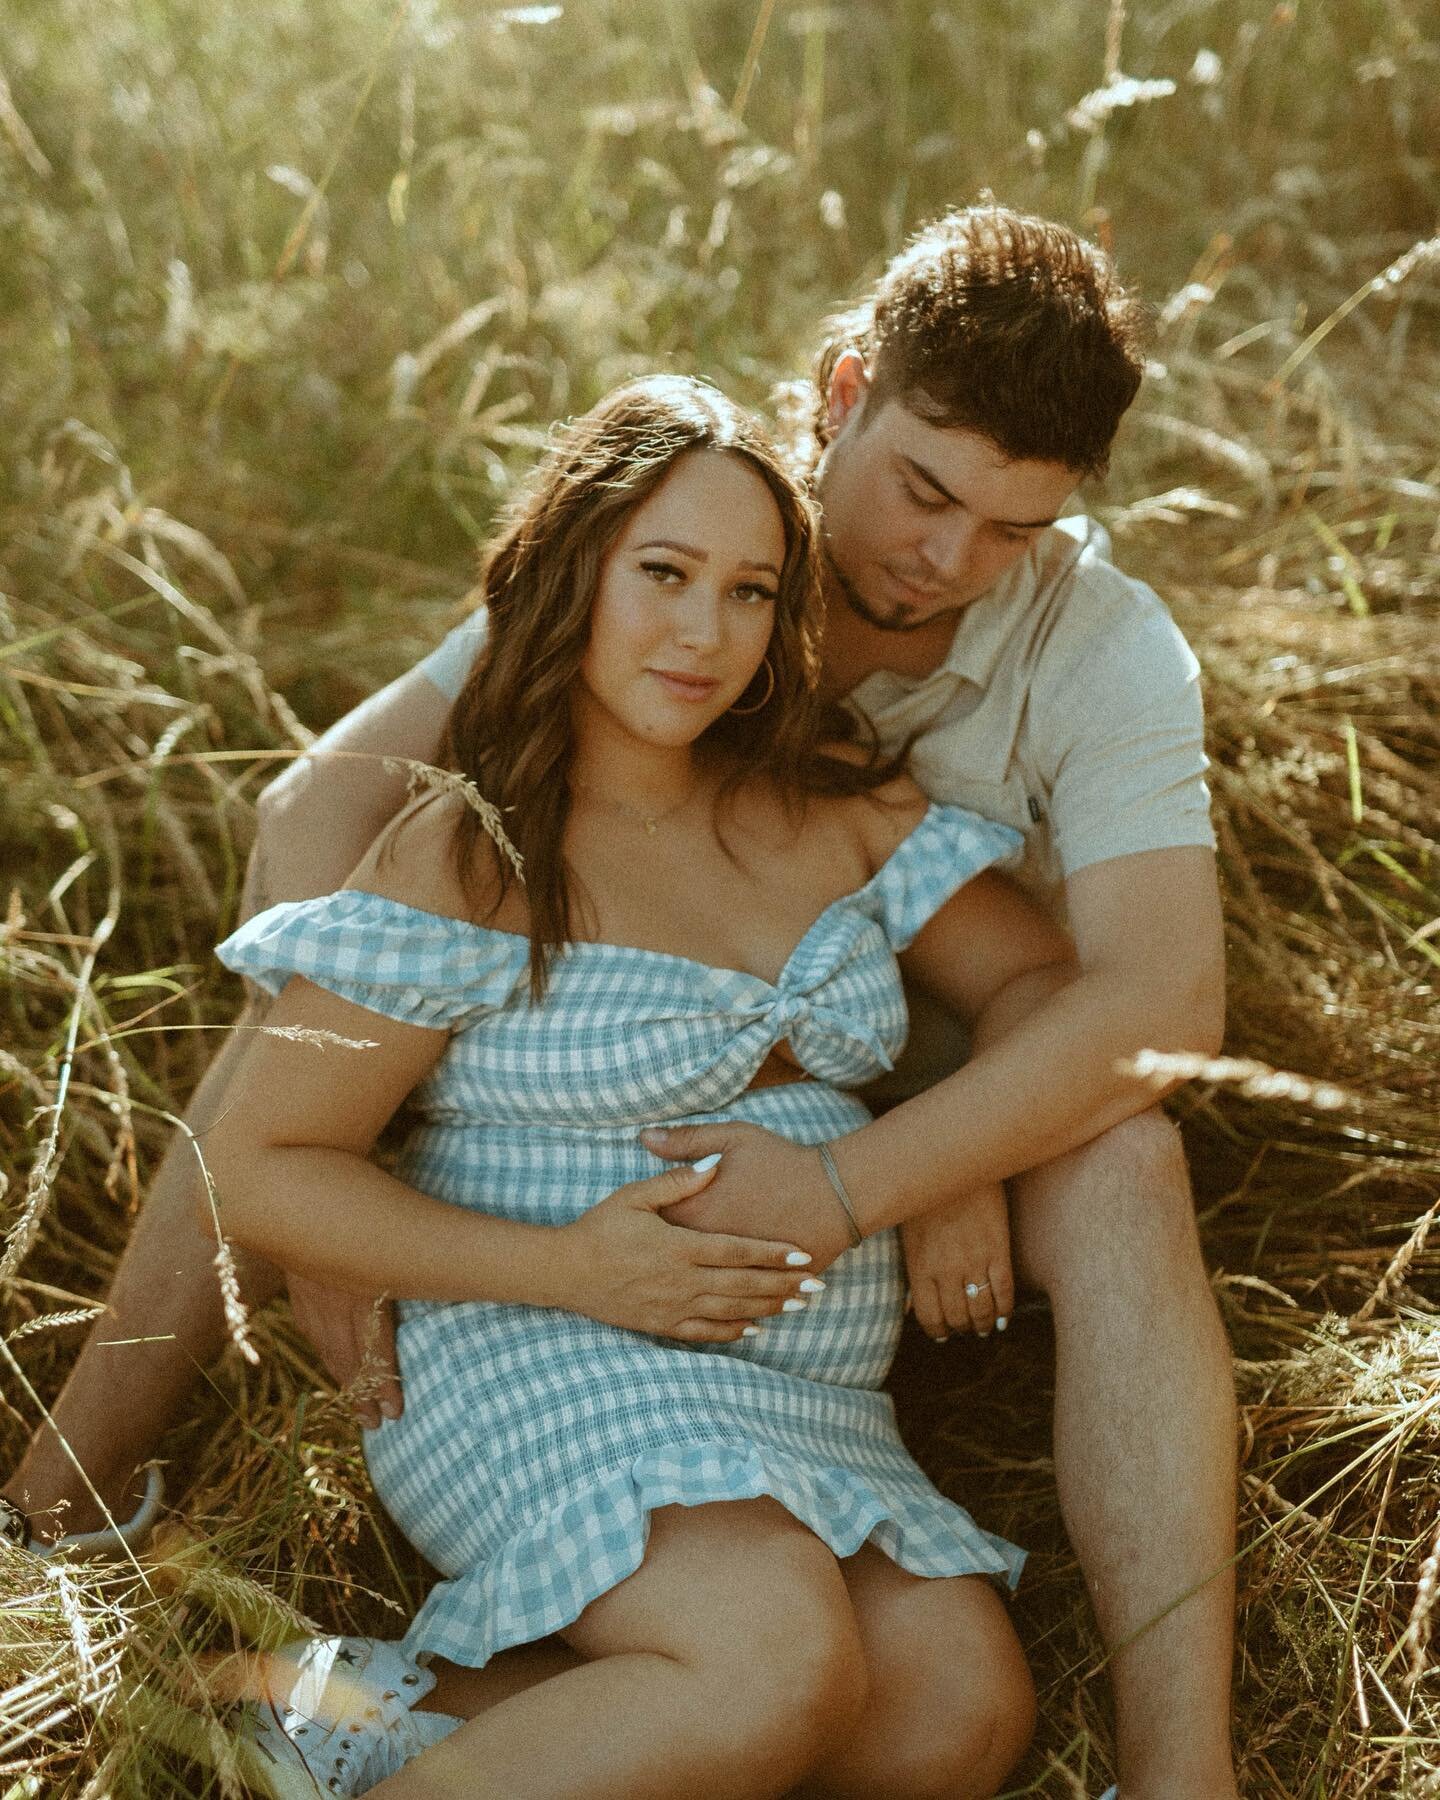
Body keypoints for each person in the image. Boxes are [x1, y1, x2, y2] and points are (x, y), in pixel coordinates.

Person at [3, 205, 1236, 1799]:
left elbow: (1146, 993)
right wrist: (332, 1220)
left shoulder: (1077, 653)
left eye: (1013, 527)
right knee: (309, 1021)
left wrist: (929, 1164)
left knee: (955, 1693)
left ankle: (1182, 1774)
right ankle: (60, 1509)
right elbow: (320, 818)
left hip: (884, 1149)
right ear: (845, 389)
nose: (947, 561)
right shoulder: (698, 521)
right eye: (924, 490)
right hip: (547, 1214)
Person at [205, 373, 1067, 1798]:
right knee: (770, 1657)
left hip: (800, 1403)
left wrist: (946, 1146)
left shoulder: (833, 810)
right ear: (572, 576)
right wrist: (572, 1271)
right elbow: (261, 1161)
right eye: (662, 574)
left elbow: (1042, 989)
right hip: (541, 1357)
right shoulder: (476, 852)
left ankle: (390, 1717)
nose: (702, 633)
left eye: (748, 592)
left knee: (957, 1712)